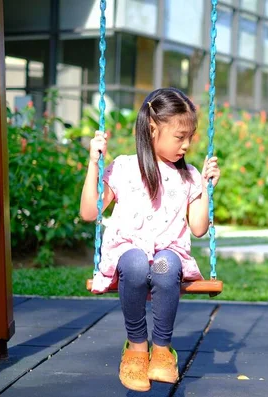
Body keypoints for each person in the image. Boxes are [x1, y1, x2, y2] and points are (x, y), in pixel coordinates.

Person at [79, 87, 220, 391]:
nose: (187, 144)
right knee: (135, 262)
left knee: (166, 266)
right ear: (153, 129)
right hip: (129, 252)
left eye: (190, 137)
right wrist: (94, 163)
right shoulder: (124, 167)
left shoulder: (189, 175)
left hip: (169, 253)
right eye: (180, 137)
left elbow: (198, 228)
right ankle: (136, 348)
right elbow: (90, 212)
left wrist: (208, 189)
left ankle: (162, 351)